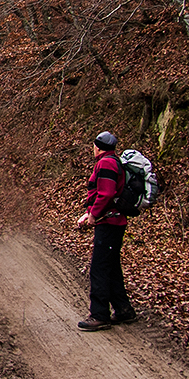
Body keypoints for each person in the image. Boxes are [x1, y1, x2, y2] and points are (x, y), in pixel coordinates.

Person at [75, 130, 138, 331]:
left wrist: (93, 215)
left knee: (99, 268)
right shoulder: (113, 161)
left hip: (109, 223)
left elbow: (107, 193)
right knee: (111, 267)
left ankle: (99, 315)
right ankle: (123, 310)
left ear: (97, 147)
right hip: (112, 221)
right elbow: (103, 194)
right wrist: (89, 213)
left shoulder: (106, 163)